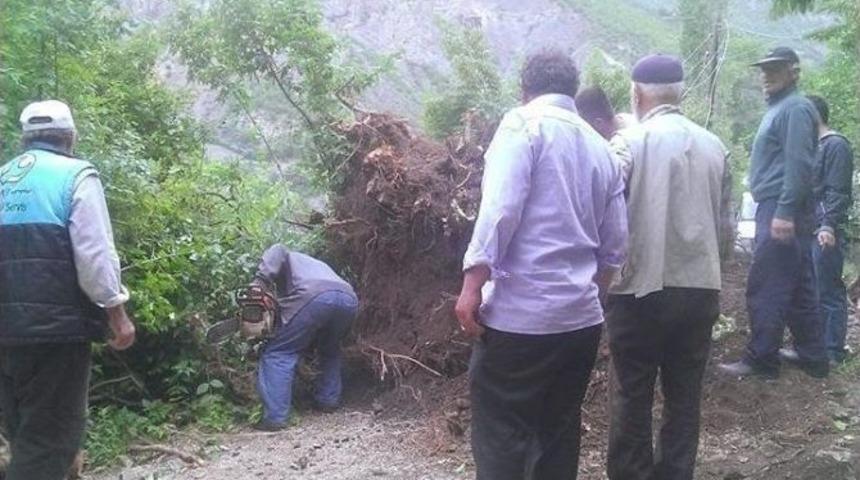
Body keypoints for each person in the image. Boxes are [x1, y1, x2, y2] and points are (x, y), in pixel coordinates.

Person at [455, 49, 628, 480]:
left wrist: (472, 284)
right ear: (572, 90)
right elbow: (615, 244)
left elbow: (500, 211)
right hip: (579, 323)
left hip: (520, 319)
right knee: (557, 433)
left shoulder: (522, 125)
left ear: (524, 89)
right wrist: (592, 296)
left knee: (501, 435)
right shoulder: (600, 146)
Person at [605, 54, 731, 480]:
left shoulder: (629, 144)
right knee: (684, 395)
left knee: (631, 392)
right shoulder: (715, 147)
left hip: (642, 286)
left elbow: (603, 206)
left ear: (637, 94)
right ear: (681, 94)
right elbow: (726, 230)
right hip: (701, 288)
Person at [0, 100, 136, 480]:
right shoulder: (76, 176)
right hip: (55, 332)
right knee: (49, 443)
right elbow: (95, 255)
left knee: (24, 433)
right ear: (70, 137)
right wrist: (117, 313)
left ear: (25, 138)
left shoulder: (3, 177)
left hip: (4, 336)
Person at [719, 47, 829, 379]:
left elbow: (798, 164)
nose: (767, 75)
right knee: (798, 284)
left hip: (782, 208)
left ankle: (762, 360)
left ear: (794, 71)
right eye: (764, 70)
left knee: (766, 283)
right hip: (787, 206)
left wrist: (783, 212)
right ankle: (814, 357)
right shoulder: (784, 107)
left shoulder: (795, 108)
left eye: (775, 69)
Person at [251, 244, 358, 431]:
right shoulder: (314, 265)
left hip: (314, 294)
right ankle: (328, 400)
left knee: (279, 352)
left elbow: (279, 248)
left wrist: (260, 281)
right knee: (330, 349)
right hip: (348, 298)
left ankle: (274, 417)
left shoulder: (287, 256)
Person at [781, 95, 853, 365]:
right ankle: (811, 348)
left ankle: (832, 350)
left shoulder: (835, 146)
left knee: (828, 288)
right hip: (807, 229)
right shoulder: (814, 147)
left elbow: (837, 191)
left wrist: (828, 225)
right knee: (808, 289)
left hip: (824, 230)